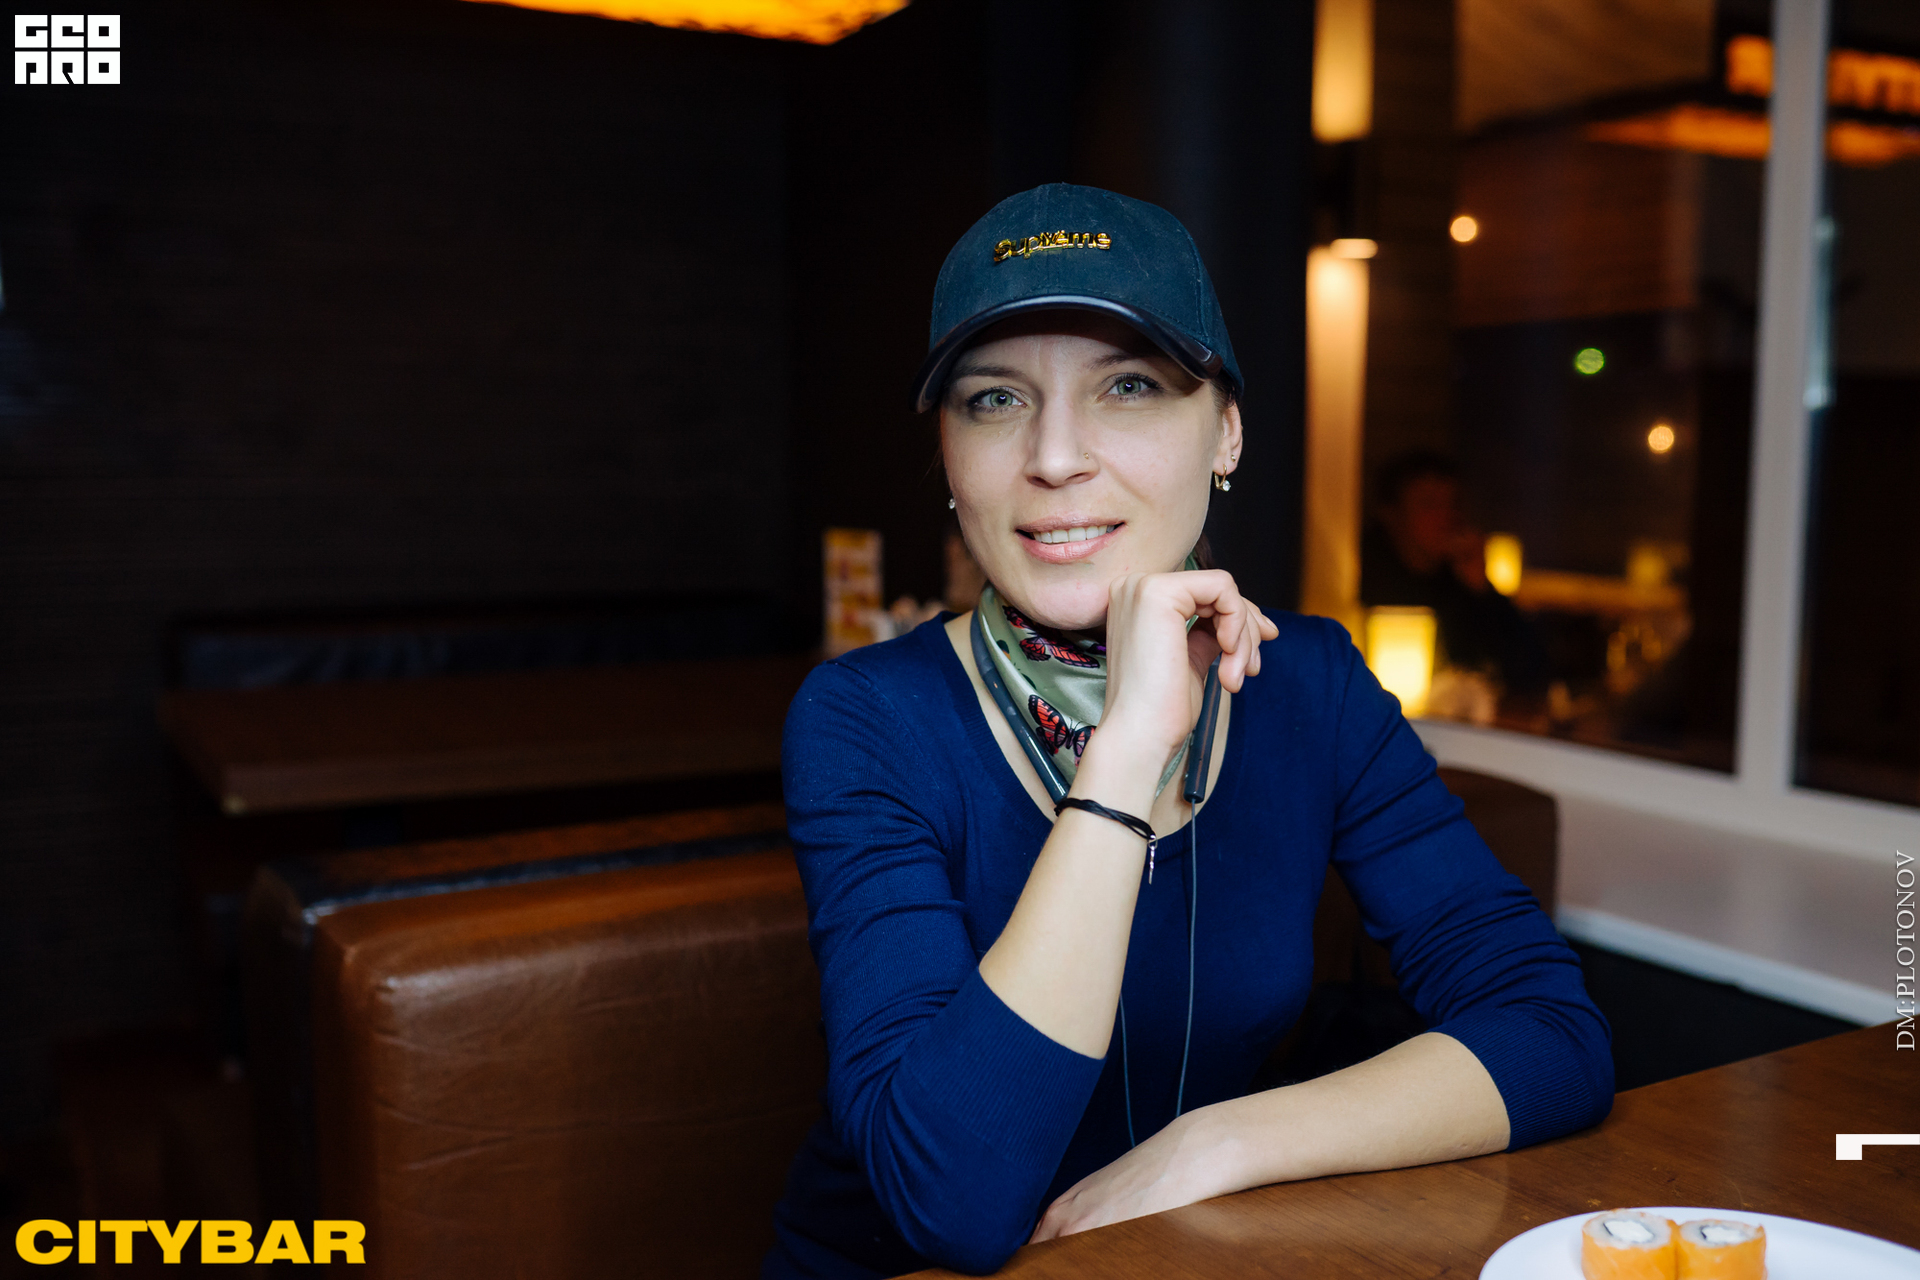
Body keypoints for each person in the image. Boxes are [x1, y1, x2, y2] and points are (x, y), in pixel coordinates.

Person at [766, 184, 1610, 1279]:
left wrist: (1216, 1145)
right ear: (948, 454)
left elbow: (1553, 1033)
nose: (1054, 456)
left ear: (1228, 431)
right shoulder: (865, 717)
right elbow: (951, 1201)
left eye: (1127, 386)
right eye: (993, 399)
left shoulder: (1313, 685)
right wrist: (1125, 751)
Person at [1360, 452, 1549, 698]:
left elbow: (1533, 670)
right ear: (1391, 514)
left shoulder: (1457, 583)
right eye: (1429, 505)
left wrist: (1482, 589)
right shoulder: (1362, 583)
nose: (1446, 517)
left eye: (1453, 504)